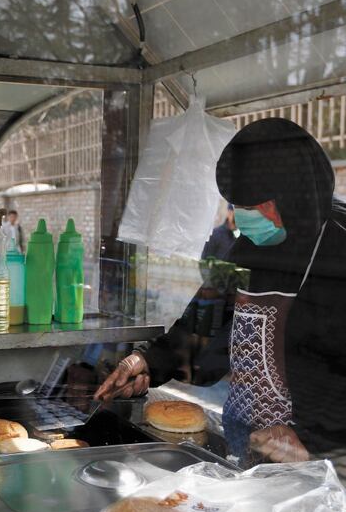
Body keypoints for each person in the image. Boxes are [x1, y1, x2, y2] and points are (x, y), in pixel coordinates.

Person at [95, 118, 346, 466]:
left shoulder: (338, 254)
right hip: (245, 450)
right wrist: (149, 361)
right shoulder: (247, 249)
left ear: (298, 196)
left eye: (257, 204)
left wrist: (313, 441)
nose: (244, 217)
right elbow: (204, 325)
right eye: (238, 205)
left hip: (323, 466)